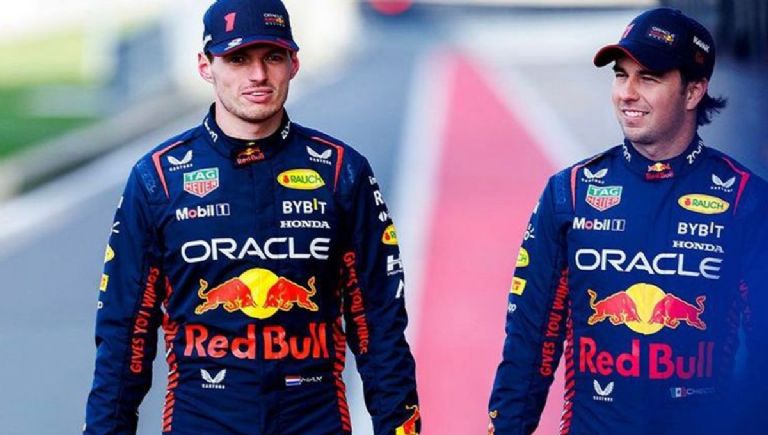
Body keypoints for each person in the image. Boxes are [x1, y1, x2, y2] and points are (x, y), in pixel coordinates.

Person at [83, 0, 420, 433]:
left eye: (272, 57)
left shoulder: (342, 172)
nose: (258, 75)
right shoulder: (158, 179)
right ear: (205, 66)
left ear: (294, 63)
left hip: (313, 422)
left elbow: (381, 328)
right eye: (238, 59)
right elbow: (123, 335)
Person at [487, 7, 768, 435]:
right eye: (621, 76)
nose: (627, 93)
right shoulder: (570, 193)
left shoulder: (746, 200)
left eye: (648, 78)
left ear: (693, 91)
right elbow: (527, 345)